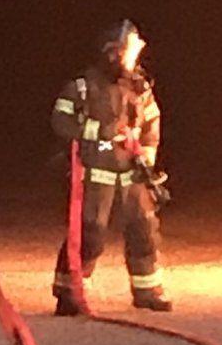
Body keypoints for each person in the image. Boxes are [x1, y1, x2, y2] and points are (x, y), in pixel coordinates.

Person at [50, 18, 172, 314]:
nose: (133, 59)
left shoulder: (139, 86)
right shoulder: (81, 87)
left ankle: (147, 291)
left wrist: (148, 155)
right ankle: (70, 292)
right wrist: (98, 132)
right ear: (112, 53)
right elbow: (60, 121)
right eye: (128, 52)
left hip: (133, 174)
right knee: (89, 232)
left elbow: (151, 122)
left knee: (144, 229)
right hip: (95, 173)